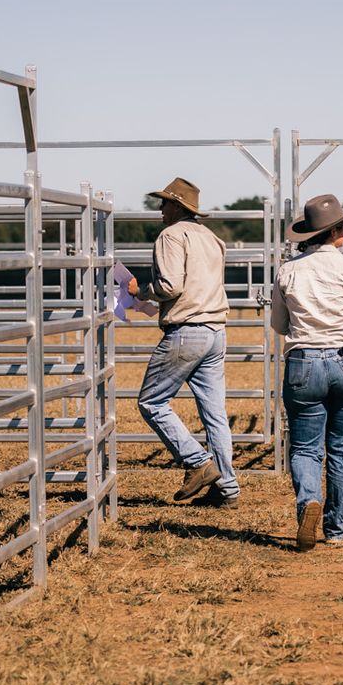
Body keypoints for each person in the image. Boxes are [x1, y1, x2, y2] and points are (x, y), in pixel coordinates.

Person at [270, 194, 343, 550]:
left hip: (304, 360)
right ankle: (337, 528)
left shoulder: (288, 270)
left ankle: (309, 503)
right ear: (337, 232)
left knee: (304, 447)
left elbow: (279, 324)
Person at [125, 177, 240, 506]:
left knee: (152, 402)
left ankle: (197, 462)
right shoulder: (213, 238)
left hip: (187, 329)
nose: (160, 209)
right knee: (215, 414)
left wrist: (139, 293)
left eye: (164, 203)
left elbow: (171, 286)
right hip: (216, 330)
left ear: (176, 206)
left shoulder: (171, 236)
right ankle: (227, 489)